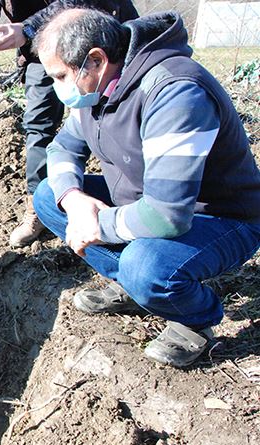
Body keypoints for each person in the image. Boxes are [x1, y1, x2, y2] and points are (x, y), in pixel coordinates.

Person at [31, 7, 260, 367]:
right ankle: (138, 288)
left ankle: (194, 321)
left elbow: (167, 216)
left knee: (145, 266)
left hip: (219, 218)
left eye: (60, 76)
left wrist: (98, 224)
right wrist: (75, 201)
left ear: (95, 60)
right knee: (49, 196)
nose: (59, 87)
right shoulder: (100, 88)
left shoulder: (176, 93)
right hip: (143, 202)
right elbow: (62, 148)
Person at [0, 0, 138, 247]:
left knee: (119, 118)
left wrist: (28, 28)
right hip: (44, 46)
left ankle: (137, 203)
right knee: (41, 125)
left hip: (100, 37)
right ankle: (41, 208)